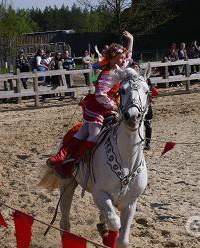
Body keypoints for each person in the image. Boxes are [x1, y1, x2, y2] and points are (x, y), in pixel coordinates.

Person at [47, 31, 135, 178]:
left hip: (101, 107)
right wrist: (113, 106)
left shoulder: (118, 67)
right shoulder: (108, 75)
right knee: (93, 137)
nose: (123, 60)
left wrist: (131, 40)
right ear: (112, 59)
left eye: (122, 57)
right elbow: (100, 94)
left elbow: (129, 56)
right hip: (98, 108)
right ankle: (72, 163)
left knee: (82, 133)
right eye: (120, 58)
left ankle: (61, 157)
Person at [130, 61, 153, 150]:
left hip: (146, 104)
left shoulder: (145, 79)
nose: (135, 68)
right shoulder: (130, 80)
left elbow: (150, 89)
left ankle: (148, 142)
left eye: (137, 67)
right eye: (133, 67)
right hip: (135, 105)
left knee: (148, 123)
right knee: (136, 124)